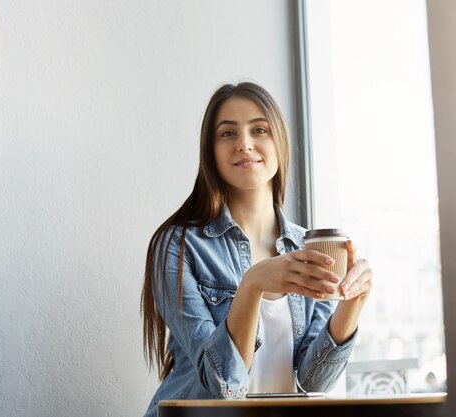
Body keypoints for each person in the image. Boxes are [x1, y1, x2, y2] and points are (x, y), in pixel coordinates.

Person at [141, 82, 373, 417]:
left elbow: (314, 381)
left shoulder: (307, 246)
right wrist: (252, 286)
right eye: (227, 134)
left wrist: (351, 303)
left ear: (278, 140)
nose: (244, 144)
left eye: (259, 129)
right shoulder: (177, 245)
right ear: (210, 151)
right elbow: (222, 382)